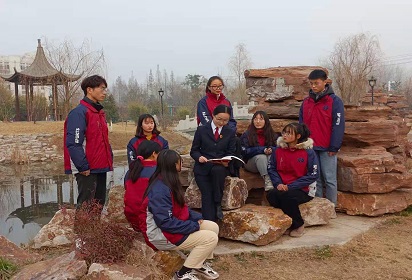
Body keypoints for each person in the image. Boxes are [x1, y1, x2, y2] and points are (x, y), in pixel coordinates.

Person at [139, 149, 220, 280]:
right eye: (179, 161)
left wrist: (197, 218)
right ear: (174, 165)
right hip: (159, 234)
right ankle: (182, 274)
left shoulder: (167, 181)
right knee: (209, 238)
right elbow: (165, 223)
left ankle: (198, 263)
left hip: (169, 227)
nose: (181, 163)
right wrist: (193, 226)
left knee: (212, 227)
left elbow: (180, 209)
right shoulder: (160, 190)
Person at [64, 75, 113, 217]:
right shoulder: (79, 113)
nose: (104, 92)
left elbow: (103, 140)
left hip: (100, 166)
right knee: (86, 204)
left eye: (105, 89)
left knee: (99, 203)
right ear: (89, 90)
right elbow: (74, 142)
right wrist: (82, 166)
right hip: (87, 168)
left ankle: (93, 237)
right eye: (102, 89)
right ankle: (81, 238)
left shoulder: (99, 113)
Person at [299, 69, 345, 205]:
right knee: (315, 178)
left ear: (325, 82)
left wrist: (334, 146)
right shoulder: (306, 102)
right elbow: (301, 125)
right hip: (311, 147)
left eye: (316, 83)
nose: (313, 86)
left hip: (327, 147)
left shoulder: (335, 102)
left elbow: (338, 125)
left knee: (330, 179)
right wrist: (302, 143)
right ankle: (319, 207)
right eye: (311, 83)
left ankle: (331, 208)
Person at [267, 123, 319, 237]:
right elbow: (271, 168)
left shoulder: (308, 152)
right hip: (282, 186)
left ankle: (298, 224)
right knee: (272, 195)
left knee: (288, 197)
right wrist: (278, 183)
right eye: (284, 132)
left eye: (289, 133)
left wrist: (290, 186)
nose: (285, 135)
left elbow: (312, 175)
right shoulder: (278, 150)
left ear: (298, 136)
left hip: (302, 189)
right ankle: (287, 223)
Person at [190, 105, 236, 221]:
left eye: (225, 120)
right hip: (203, 167)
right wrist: (199, 157)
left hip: (220, 167)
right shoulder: (202, 130)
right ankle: (210, 225)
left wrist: (227, 161)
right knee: (207, 194)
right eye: (219, 119)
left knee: (218, 171)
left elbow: (231, 152)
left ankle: (218, 203)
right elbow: (194, 150)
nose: (222, 122)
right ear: (213, 116)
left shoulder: (229, 132)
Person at [124, 140, 161, 232]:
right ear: (154, 154)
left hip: (134, 221)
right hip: (152, 223)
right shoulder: (159, 172)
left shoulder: (130, 172)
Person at [240, 111, 279, 191]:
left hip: (268, 162)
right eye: (255, 119)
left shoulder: (272, 134)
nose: (258, 122)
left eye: (261, 119)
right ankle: (268, 180)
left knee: (270, 157)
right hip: (250, 162)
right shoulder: (247, 135)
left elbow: (279, 149)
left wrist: (271, 149)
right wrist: (262, 150)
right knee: (261, 157)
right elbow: (244, 152)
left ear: (266, 121)